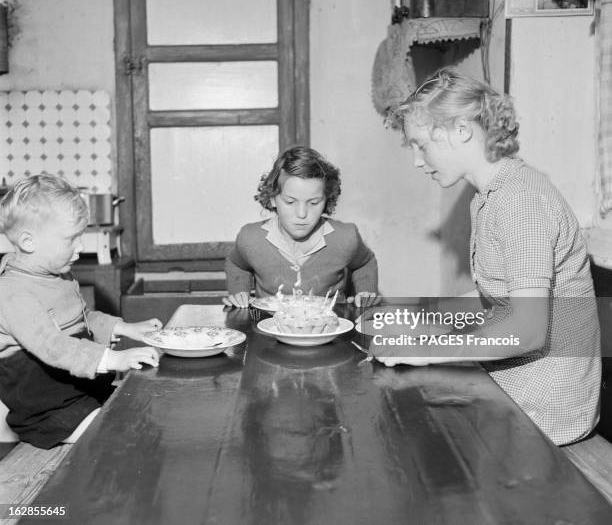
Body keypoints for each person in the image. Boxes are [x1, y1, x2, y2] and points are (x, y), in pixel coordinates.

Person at [371, 68, 601, 445]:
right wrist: (418, 319)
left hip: (545, 412)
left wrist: (426, 347)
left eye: (421, 144)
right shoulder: (491, 195)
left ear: (461, 130)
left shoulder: (519, 202)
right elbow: (498, 298)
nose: (416, 160)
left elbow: (527, 330)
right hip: (514, 389)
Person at [0, 174, 161, 449]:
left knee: (143, 412)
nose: (81, 247)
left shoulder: (58, 276)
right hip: (47, 408)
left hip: (78, 390)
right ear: (28, 242)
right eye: (71, 239)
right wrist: (112, 359)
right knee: (119, 439)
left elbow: (82, 319)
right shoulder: (12, 293)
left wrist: (124, 328)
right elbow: (54, 345)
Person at [223, 146, 379, 308]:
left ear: (326, 199)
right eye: (290, 202)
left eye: (313, 203)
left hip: (331, 328)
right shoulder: (250, 238)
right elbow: (236, 264)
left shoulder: (346, 237)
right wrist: (240, 293)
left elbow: (364, 262)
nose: (302, 214)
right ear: (272, 198)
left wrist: (365, 292)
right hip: (268, 329)